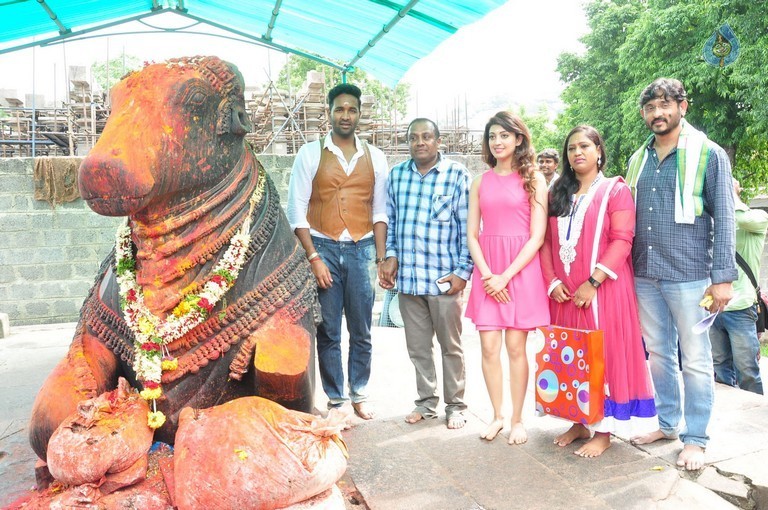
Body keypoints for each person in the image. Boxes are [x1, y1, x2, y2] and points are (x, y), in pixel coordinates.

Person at [626, 78, 737, 471]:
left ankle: (696, 438)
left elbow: (725, 217)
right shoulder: (638, 159)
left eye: (665, 105)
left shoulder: (709, 154)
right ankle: (668, 424)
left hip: (690, 275)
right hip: (646, 272)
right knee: (658, 355)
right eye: (651, 107)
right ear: (644, 113)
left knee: (695, 359)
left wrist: (722, 278)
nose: (658, 113)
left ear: (682, 107)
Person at [540, 125, 658, 458]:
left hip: (600, 292)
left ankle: (604, 430)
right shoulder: (558, 192)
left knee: (599, 357)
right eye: (571, 148)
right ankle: (579, 421)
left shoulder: (614, 190)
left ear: (598, 151)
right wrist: (552, 281)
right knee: (571, 357)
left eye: (584, 146)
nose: (577, 153)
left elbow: (623, 239)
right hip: (565, 294)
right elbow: (548, 243)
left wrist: (592, 283)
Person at [286, 83, 389, 420]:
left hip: (361, 250)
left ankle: (360, 391)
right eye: (340, 109)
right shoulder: (310, 153)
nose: (346, 115)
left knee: (361, 329)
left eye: (352, 109)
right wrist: (313, 257)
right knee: (328, 330)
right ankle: (337, 398)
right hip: (324, 248)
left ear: (360, 114)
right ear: (329, 112)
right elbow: (297, 210)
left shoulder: (376, 157)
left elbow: (379, 211)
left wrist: (380, 257)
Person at [378, 118, 473, 430]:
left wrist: (463, 272)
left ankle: (456, 406)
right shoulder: (396, 177)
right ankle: (426, 403)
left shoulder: (457, 175)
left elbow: (469, 229)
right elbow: (390, 225)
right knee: (418, 349)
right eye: (414, 137)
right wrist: (389, 256)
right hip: (409, 281)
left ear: (438, 141)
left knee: (451, 348)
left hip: (444, 281)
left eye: (427, 136)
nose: (420, 142)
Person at [464, 112, 550, 444]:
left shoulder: (535, 179)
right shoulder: (480, 182)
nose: (497, 142)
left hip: (520, 271)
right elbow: (473, 233)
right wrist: (488, 275)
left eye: (504, 135)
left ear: (518, 139)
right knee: (488, 347)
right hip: (488, 271)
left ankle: (517, 419)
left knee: (516, 347)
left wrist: (505, 276)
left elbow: (537, 236)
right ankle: (496, 416)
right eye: (492, 137)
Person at [709, 178, 767, 394]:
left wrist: (727, 195)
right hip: (714, 308)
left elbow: (738, 218)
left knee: (747, 371)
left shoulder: (757, 218)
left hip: (741, 307)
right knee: (721, 370)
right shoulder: (714, 222)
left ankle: (754, 420)